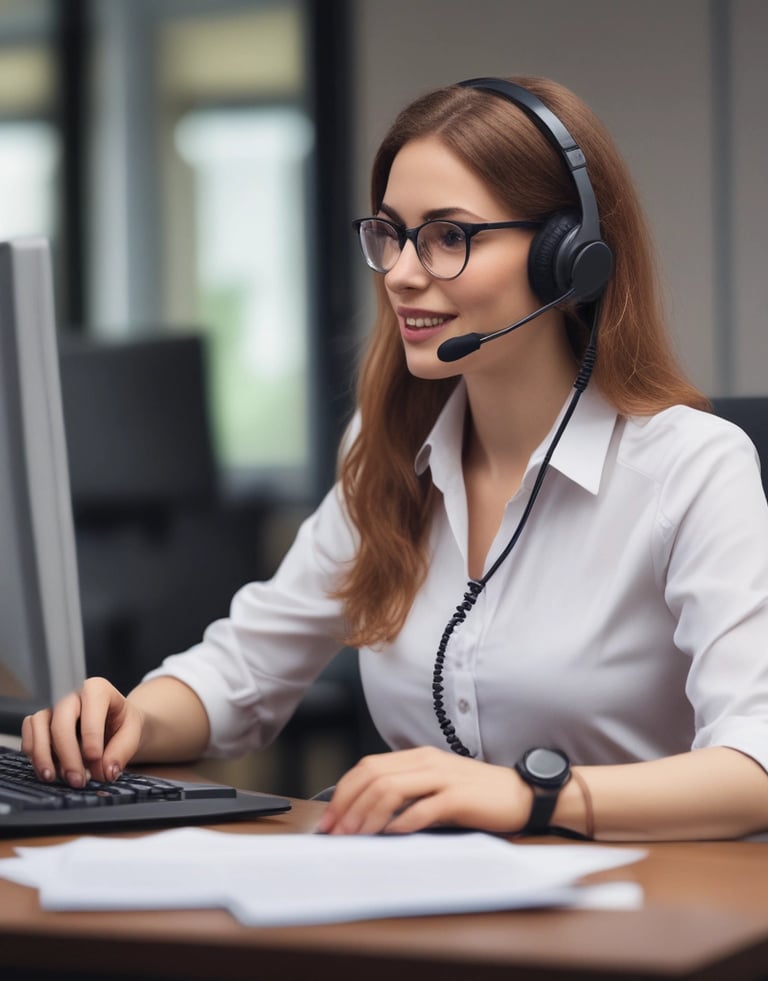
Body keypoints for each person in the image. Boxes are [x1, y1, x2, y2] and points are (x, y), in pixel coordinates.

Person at [24, 75, 768, 841]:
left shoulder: (690, 467)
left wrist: (528, 797)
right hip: (432, 912)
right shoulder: (387, 454)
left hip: (646, 918)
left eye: (450, 236)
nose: (406, 273)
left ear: (568, 258)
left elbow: (755, 764)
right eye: (393, 234)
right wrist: (128, 719)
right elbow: (242, 671)